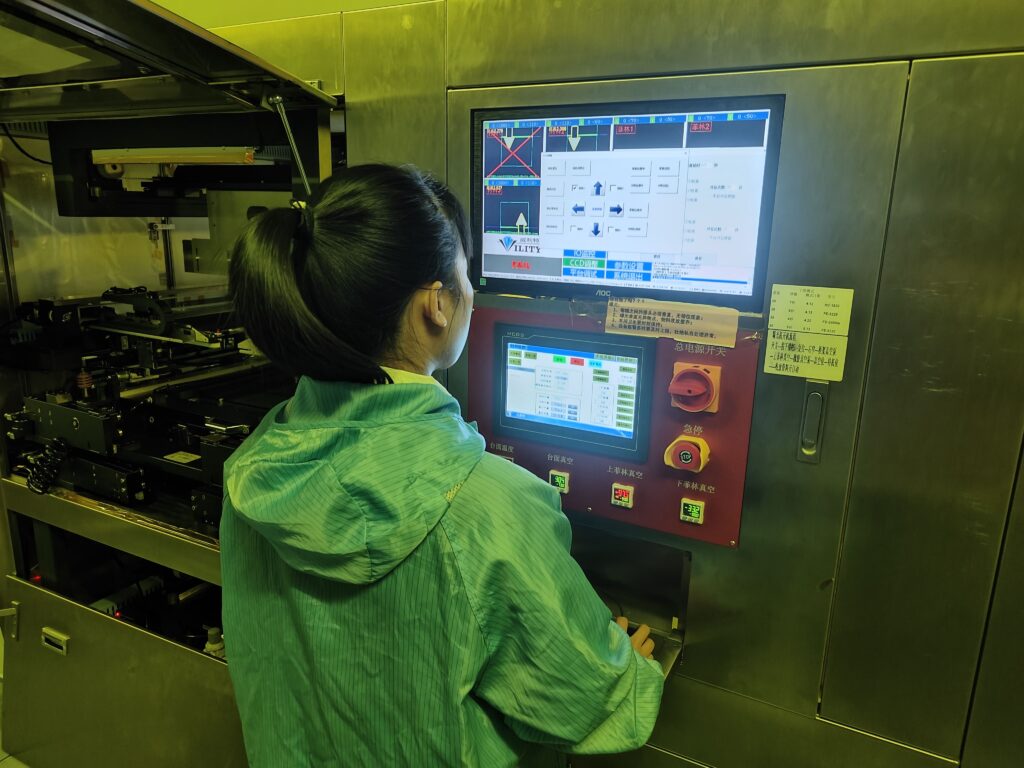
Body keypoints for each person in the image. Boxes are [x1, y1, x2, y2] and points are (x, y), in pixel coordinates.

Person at [220, 164, 665, 767]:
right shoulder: (491, 506)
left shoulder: (256, 470)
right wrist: (627, 670)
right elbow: (589, 705)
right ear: (436, 303)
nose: (473, 293)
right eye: (466, 274)